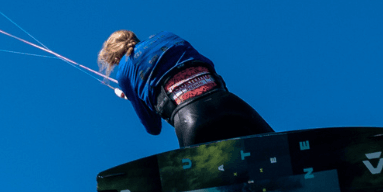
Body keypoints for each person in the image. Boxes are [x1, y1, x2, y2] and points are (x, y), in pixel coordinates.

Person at [98, 30, 274, 147]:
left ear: (115, 57)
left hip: (190, 119)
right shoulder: (167, 36)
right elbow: (208, 66)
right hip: (229, 103)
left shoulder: (123, 71)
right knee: (281, 148)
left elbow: (153, 127)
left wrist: (131, 95)